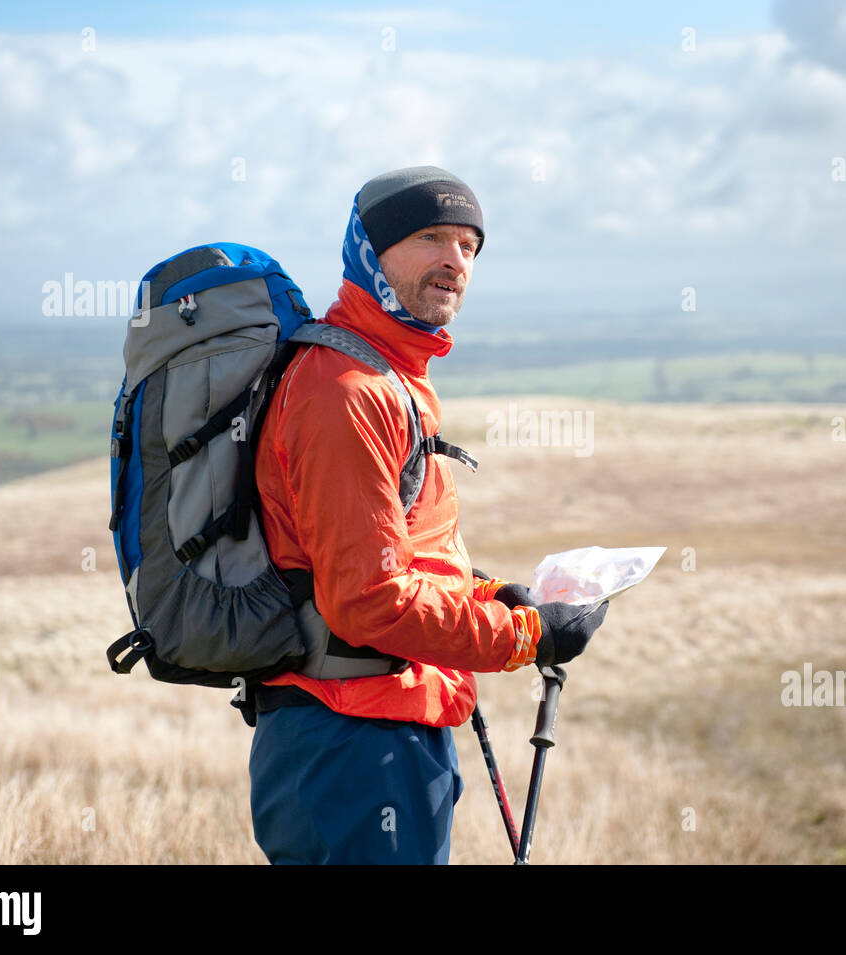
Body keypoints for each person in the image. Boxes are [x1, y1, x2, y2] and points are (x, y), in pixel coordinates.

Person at [246, 165, 609, 864]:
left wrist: (489, 593)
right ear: (369, 253)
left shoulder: (391, 377)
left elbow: (395, 553)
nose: (455, 260)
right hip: (352, 743)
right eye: (431, 237)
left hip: (384, 730)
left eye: (470, 245)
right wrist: (525, 634)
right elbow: (367, 603)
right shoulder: (346, 390)